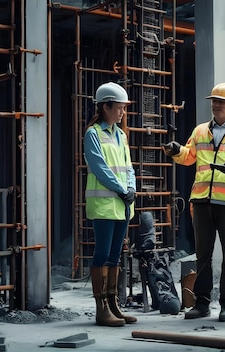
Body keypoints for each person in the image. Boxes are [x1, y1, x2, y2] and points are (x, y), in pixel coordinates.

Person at [162, 82, 225, 322]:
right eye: (213, 101)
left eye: (220, 101)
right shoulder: (199, 131)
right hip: (202, 201)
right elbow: (189, 157)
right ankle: (202, 304)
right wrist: (175, 151)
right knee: (202, 255)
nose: (215, 105)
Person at [84, 82, 137, 327]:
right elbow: (99, 168)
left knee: (115, 256)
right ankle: (101, 308)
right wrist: (121, 189)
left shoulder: (121, 135)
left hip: (122, 205)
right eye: (119, 108)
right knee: (102, 254)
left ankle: (113, 303)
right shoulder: (93, 134)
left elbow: (128, 167)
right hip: (105, 205)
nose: (122, 112)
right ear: (106, 106)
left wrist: (132, 188)